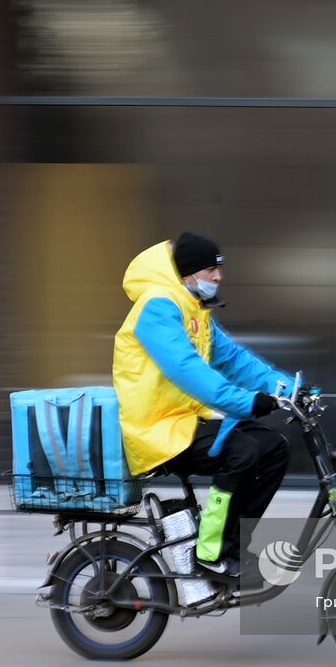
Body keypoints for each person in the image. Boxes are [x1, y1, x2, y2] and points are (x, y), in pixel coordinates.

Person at [112, 232, 292, 583]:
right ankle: (211, 554)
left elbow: (234, 359)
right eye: (211, 269)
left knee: (274, 448)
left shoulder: (193, 307)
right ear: (188, 273)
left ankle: (232, 546)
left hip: (185, 422)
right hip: (156, 430)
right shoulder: (158, 307)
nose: (218, 277)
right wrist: (244, 401)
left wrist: (291, 389)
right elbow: (185, 368)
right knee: (241, 452)